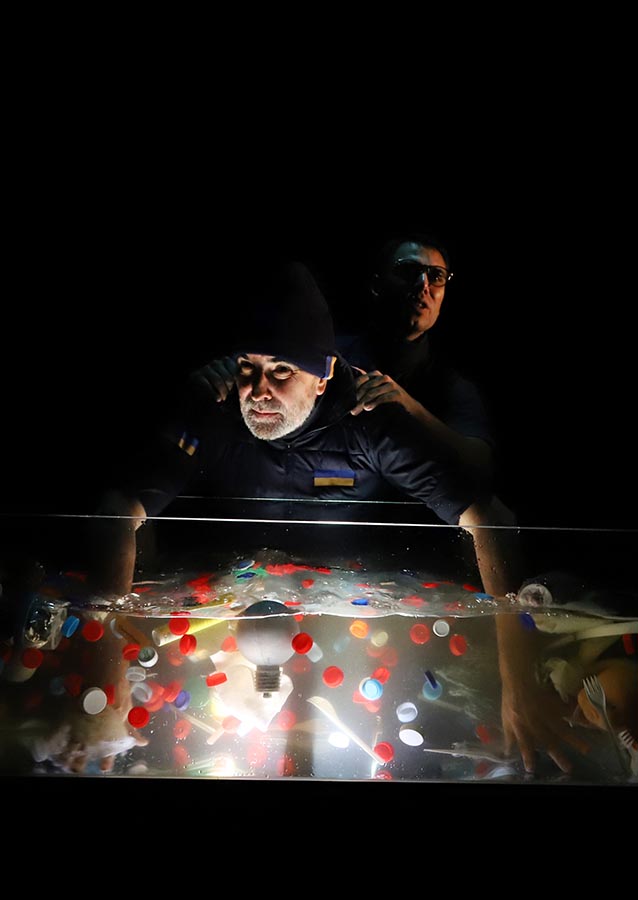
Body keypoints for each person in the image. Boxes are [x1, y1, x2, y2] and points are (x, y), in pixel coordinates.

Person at [87, 259, 587, 775]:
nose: (259, 391)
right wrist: (103, 672)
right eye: (247, 369)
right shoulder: (214, 406)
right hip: (225, 599)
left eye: (282, 371)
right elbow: (117, 511)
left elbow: (489, 518)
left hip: (354, 609)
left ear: (324, 375)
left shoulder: (366, 415)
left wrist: (518, 682)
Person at [338, 231, 494, 490]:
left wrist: (410, 406)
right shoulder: (329, 357)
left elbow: (480, 465)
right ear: (377, 285)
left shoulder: (453, 385)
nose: (423, 285)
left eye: (436, 276)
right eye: (409, 271)